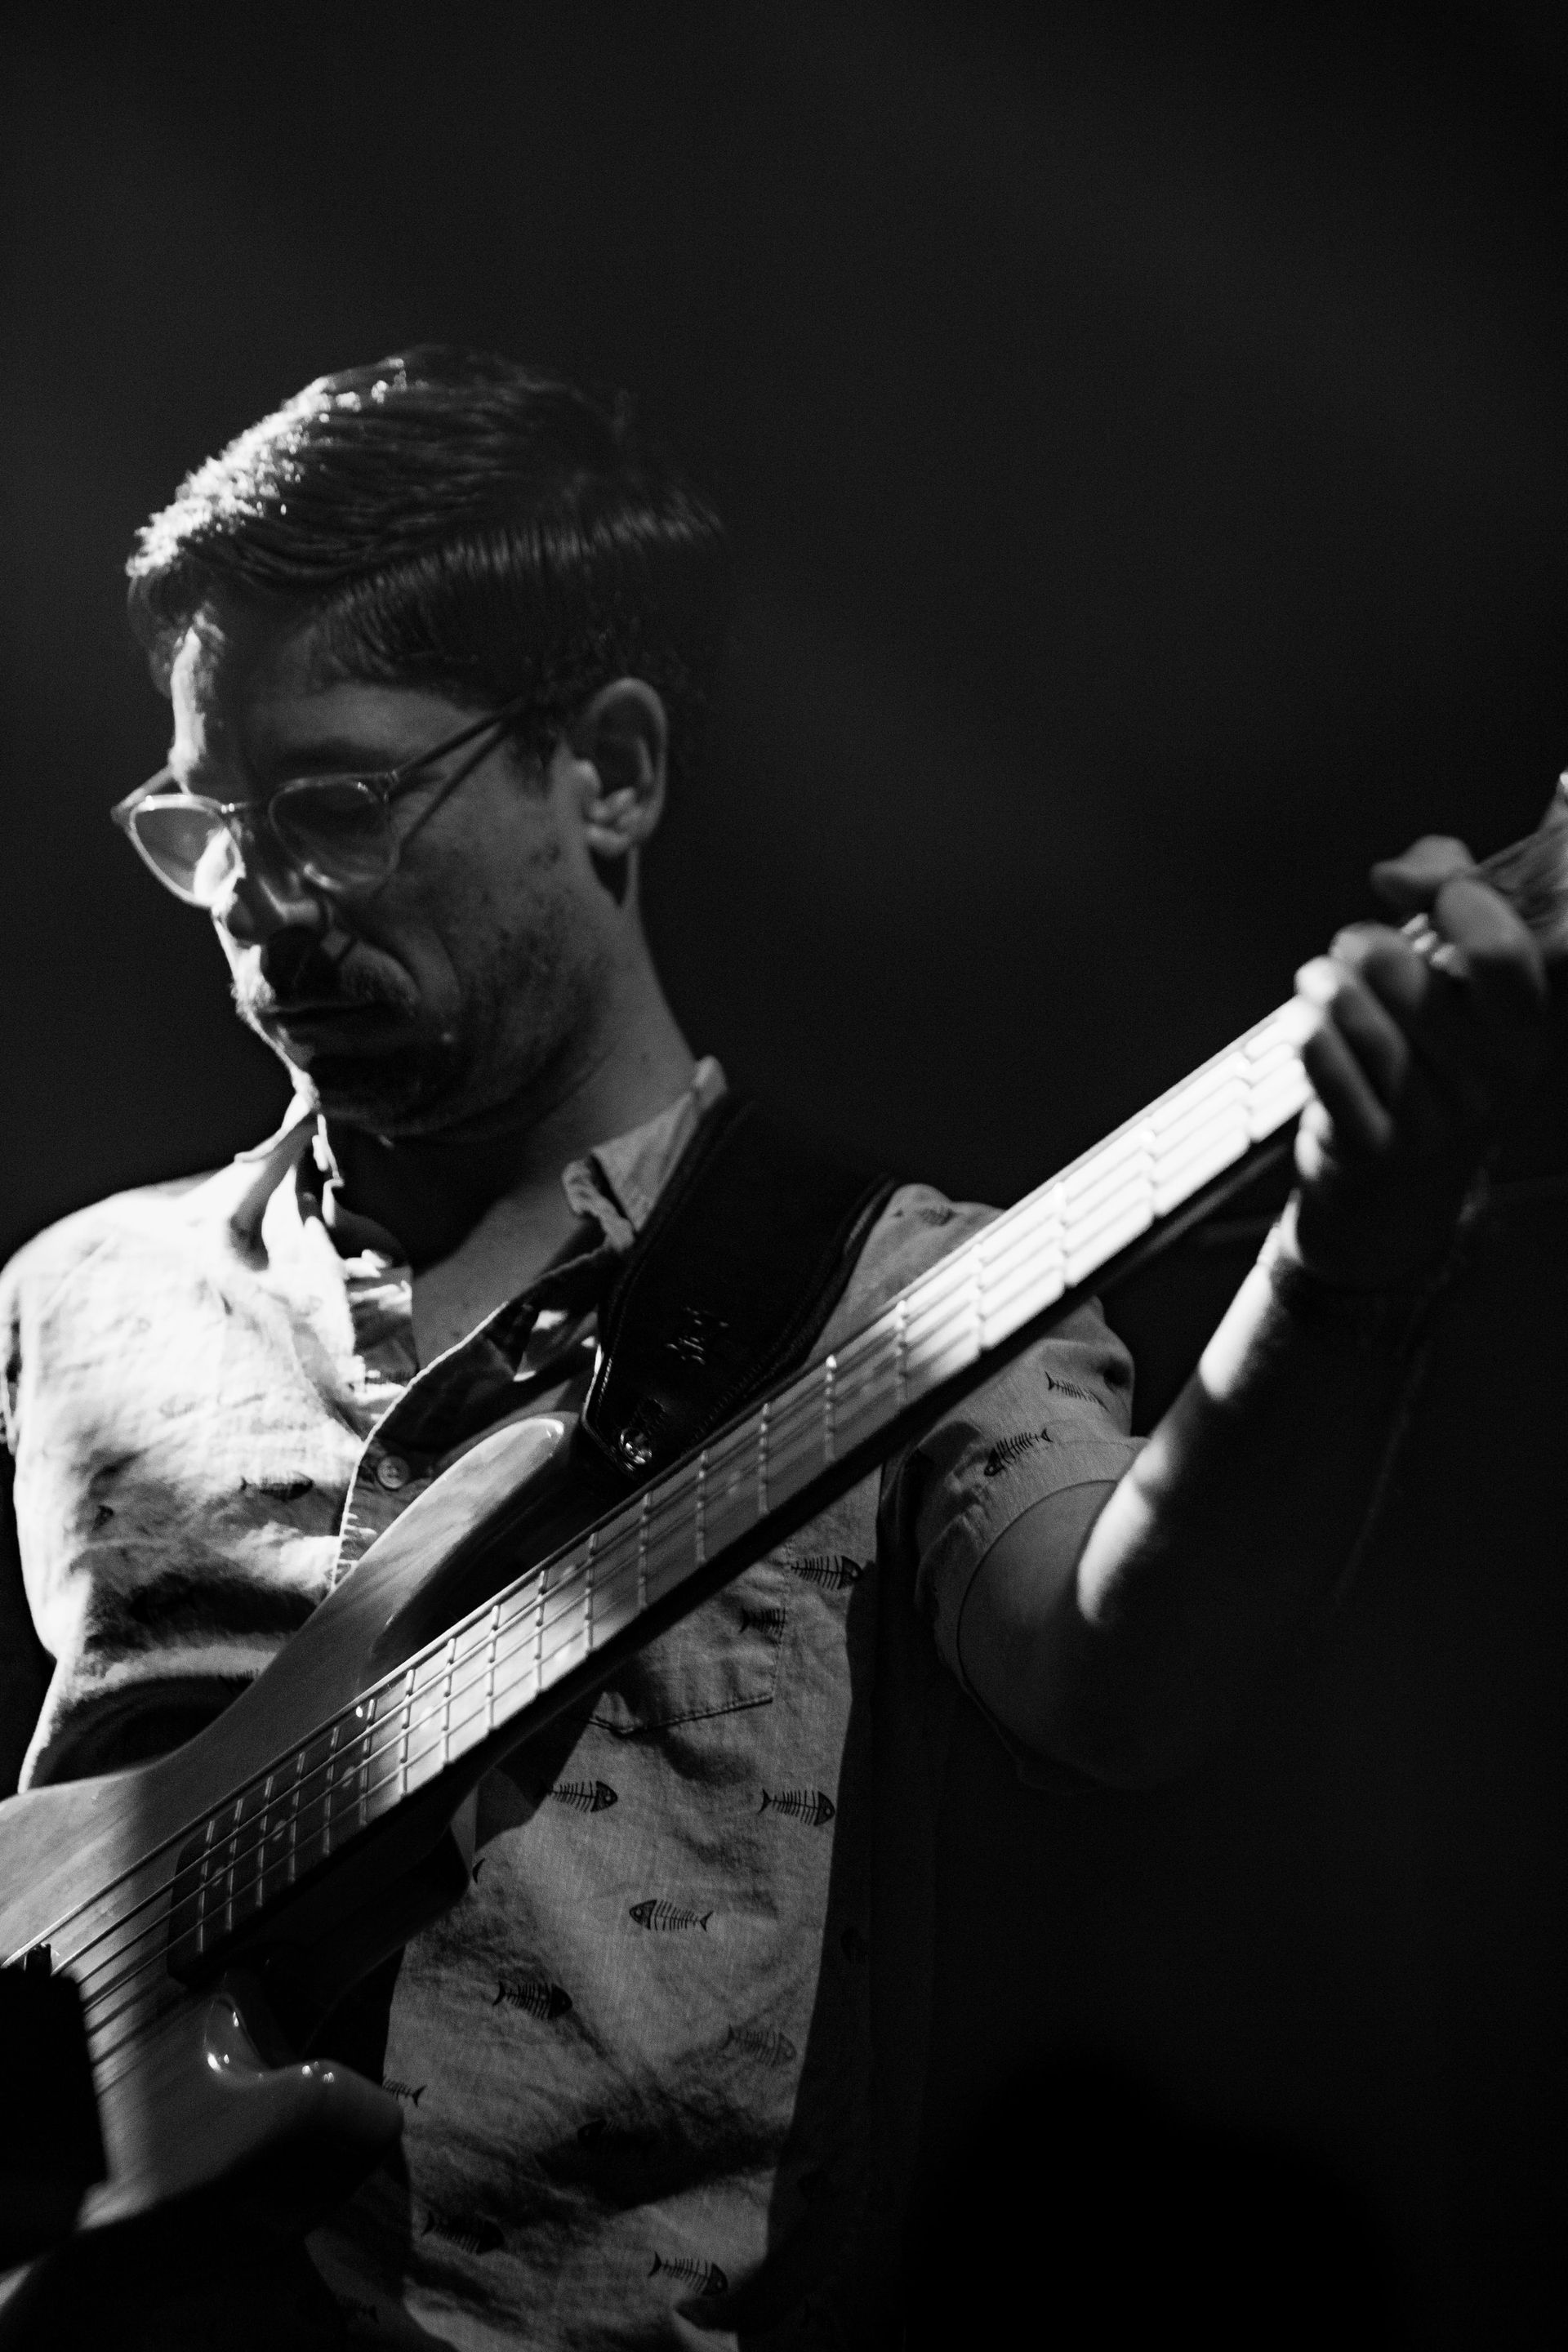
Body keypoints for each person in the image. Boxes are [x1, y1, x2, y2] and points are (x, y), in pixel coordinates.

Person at [0, 347, 1549, 2350]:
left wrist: (1354, 1254)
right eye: (204, 826)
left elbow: (1120, 1676)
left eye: (339, 806)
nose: (260, 905)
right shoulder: (79, 1299)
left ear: (613, 769)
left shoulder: (893, 1296)